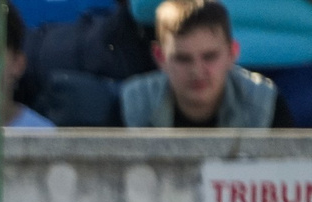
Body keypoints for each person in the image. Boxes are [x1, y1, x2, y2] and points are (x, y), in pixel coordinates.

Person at [121, 0, 291, 128]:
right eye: (183, 58)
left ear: (232, 53)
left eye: (209, 57)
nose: (197, 71)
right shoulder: (132, 105)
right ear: (160, 56)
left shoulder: (265, 104)